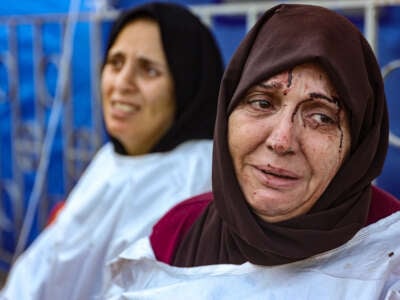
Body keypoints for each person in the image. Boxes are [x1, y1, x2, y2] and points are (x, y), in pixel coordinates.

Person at [103, 4, 400, 299]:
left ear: (359, 143)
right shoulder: (178, 234)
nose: (281, 140)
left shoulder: (389, 256)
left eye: (321, 117)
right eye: (262, 103)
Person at [1, 2, 223, 299]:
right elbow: (44, 266)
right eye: (115, 62)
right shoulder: (114, 159)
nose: (122, 83)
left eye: (149, 70)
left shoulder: (197, 180)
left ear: (187, 85)